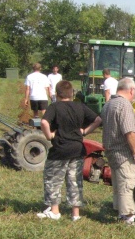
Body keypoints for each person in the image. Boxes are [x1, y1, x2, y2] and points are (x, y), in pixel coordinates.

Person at [37, 80, 102, 221]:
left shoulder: (54, 107)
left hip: (60, 149)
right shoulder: (80, 106)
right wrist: (85, 131)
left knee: (54, 180)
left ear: (56, 94)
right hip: (77, 149)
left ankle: (55, 211)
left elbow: (43, 122)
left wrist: (49, 135)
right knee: (74, 181)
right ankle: (75, 214)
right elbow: (97, 119)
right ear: (72, 93)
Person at [101, 77, 135, 225]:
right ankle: (128, 217)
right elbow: (129, 131)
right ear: (131, 90)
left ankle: (120, 211)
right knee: (128, 183)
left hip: (112, 149)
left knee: (118, 182)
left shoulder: (109, 104)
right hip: (124, 152)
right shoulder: (124, 105)